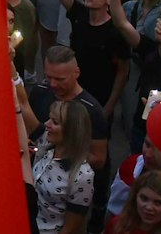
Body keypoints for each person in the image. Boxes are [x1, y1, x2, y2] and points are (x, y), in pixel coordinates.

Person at [23, 99, 96, 234]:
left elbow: (71, 228)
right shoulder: (48, 149)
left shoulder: (83, 175)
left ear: (72, 130)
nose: (47, 124)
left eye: (55, 122)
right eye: (50, 119)